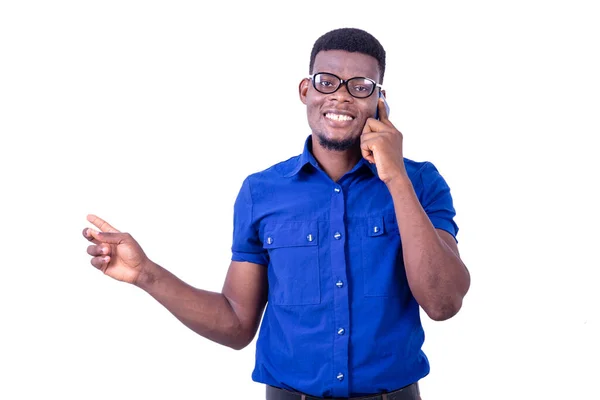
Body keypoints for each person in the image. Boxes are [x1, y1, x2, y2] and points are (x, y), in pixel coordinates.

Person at [83, 27, 470, 400]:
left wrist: (395, 176)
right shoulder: (260, 192)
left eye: (360, 87)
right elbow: (235, 324)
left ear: (379, 102)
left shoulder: (421, 182)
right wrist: (145, 273)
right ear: (306, 90)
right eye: (326, 81)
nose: (341, 97)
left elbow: (443, 303)